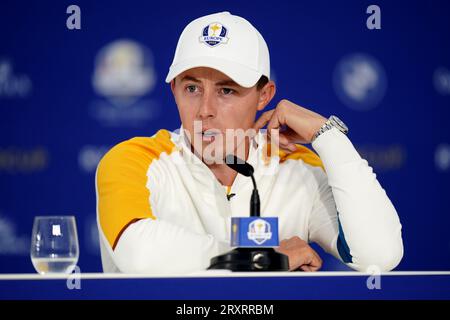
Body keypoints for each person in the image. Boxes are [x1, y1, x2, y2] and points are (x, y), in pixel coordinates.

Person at [96, 11, 403, 274]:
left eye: (226, 91)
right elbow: (138, 254)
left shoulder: (296, 169)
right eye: (192, 88)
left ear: (265, 96)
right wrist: (262, 260)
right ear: (174, 90)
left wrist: (327, 135)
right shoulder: (132, 160)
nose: (205, 110)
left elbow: (379, 255)